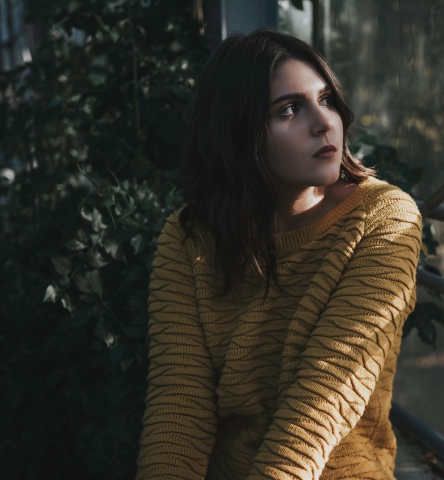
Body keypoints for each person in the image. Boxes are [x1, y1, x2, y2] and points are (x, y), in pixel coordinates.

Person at [136, 29, 422, 480]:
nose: (323, 122)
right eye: (289, 109)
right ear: (236, 131)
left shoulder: (383, 219)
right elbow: (178, 408)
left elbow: (321, 406)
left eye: (326, 99)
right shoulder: (188, 239)